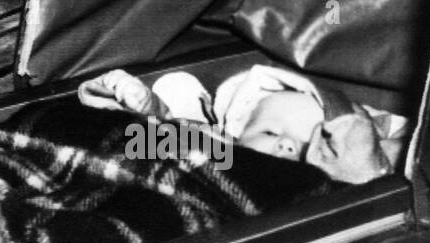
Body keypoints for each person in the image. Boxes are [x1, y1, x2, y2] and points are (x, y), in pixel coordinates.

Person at [79, 64, 408, 184]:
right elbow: (159, 134)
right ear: (236, 136)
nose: (289, 144)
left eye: (310, 144)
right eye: (270, 132)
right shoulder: (222, 148)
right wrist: (137, 103)